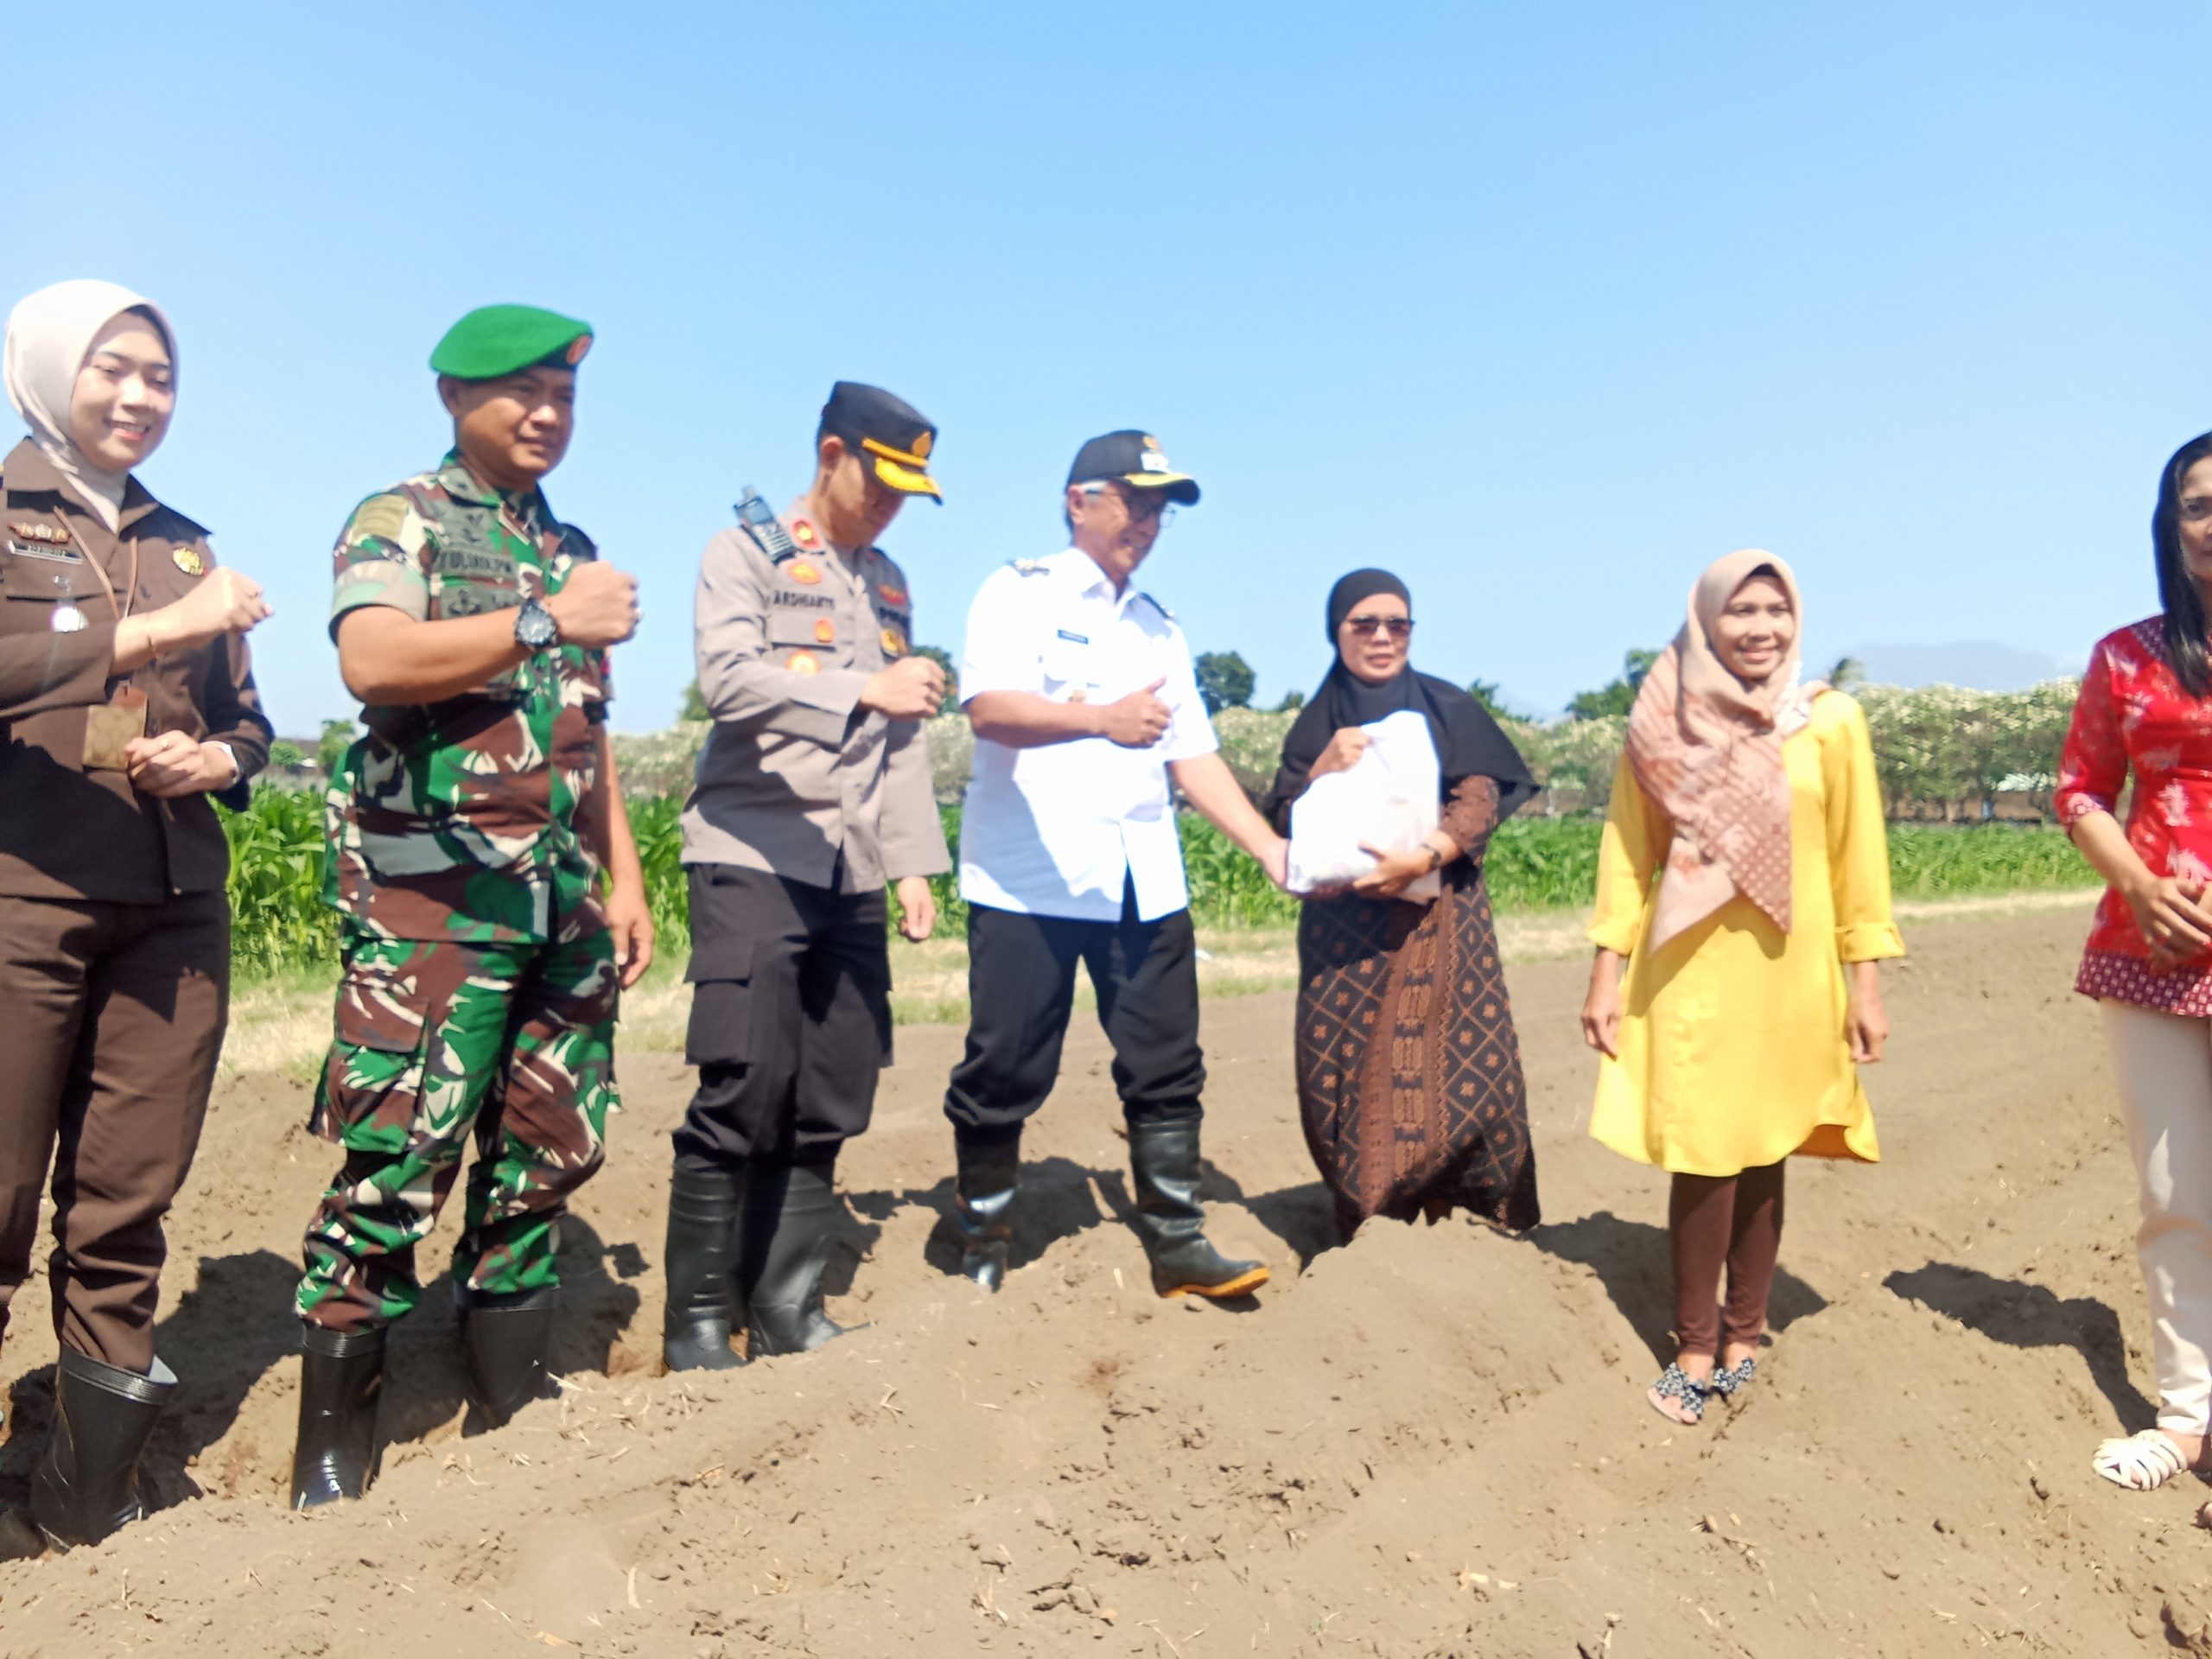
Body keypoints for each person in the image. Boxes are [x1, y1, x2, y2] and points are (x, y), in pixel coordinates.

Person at [289, 305, 649, 1510]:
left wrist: (628, 880)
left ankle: (509, 1395)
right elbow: (374, 662)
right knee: (400, 1151)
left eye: (564, 394)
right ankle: (334, 1448)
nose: (547, 413)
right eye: (521, 392)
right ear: (453, 395)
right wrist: (548, 618)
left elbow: (589, 735)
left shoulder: (576, 545)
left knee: (550, 1147)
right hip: (432, 902)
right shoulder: (403, 519)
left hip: (559, 901)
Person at [0, 279, 272, 1551]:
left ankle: (81, 1507)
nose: (139, 396)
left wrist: (221, 762)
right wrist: (158, 627)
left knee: (124, 1210)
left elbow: (248, 721)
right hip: (24, 896)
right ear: (53, 372)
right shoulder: (7, 516)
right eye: (113, 368)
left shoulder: (186, 540)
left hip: (171, 911)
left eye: (158, 375)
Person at [944, 430, 1287, 1299]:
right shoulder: (1017, 592)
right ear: (1078, 501)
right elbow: (990, 709)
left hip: (1142, 875)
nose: (1150, 520)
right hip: (1033, 877)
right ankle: (983, 1238)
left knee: (1167, 1062)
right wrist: (1099, 717)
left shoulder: (1157, 627)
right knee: (1007, 1063)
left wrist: (1269, 849)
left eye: (1161, 507)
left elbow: (1191, 754)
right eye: (1135, 500)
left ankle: (1177, 1241)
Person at [664, 382, 950, 1371]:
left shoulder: (891, 584)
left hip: (853, 867)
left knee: (830, 1088)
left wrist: (912, 865)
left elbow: (899, 735)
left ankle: (788, 1307)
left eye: (910, 490)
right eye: (882, 479)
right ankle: (699, 1320)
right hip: (753, 851)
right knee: (746, 1082)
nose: (890, 504)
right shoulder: (742, 551)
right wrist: (856, 685)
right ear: (832, 451)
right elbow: (729, 680)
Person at [1579, 550, 1898, 1426]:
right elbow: (1628, 848)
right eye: (1740, 612)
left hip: (1789, 969)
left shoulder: (1828, 721)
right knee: (1702, 1148)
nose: (1759, 628)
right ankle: (1690, 1346)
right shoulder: (1661, 718)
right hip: (1687, 964)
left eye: (1775, 611)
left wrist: (1861, 982)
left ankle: (1744, 1338)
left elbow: (1853, 856)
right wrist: (1605, 968)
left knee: (1766, 1143)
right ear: (1706, 620)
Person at [1262, 569, 1540, 1241]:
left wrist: (1428, 855)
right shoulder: (1315, 724)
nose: (1383, 637)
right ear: (1337, 632)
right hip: (1343, 933)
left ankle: (1462, 1214)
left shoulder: (1447, 707)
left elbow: (1478, 799)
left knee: (1460, 1068)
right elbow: (1282, 821)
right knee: (1342, 1071)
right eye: (1365, 624)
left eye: (1398, 624)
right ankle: (1370, 1221)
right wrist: (1324, 766)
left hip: (1437, 918)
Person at [2057, 431, 2212, 1492]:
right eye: (2196, 505)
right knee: (2175, 1190)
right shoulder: (2127, 654)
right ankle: (2189, 1415)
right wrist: (2141, 886)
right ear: (2172, 528)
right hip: (2148, 950)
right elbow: (2078, 791)